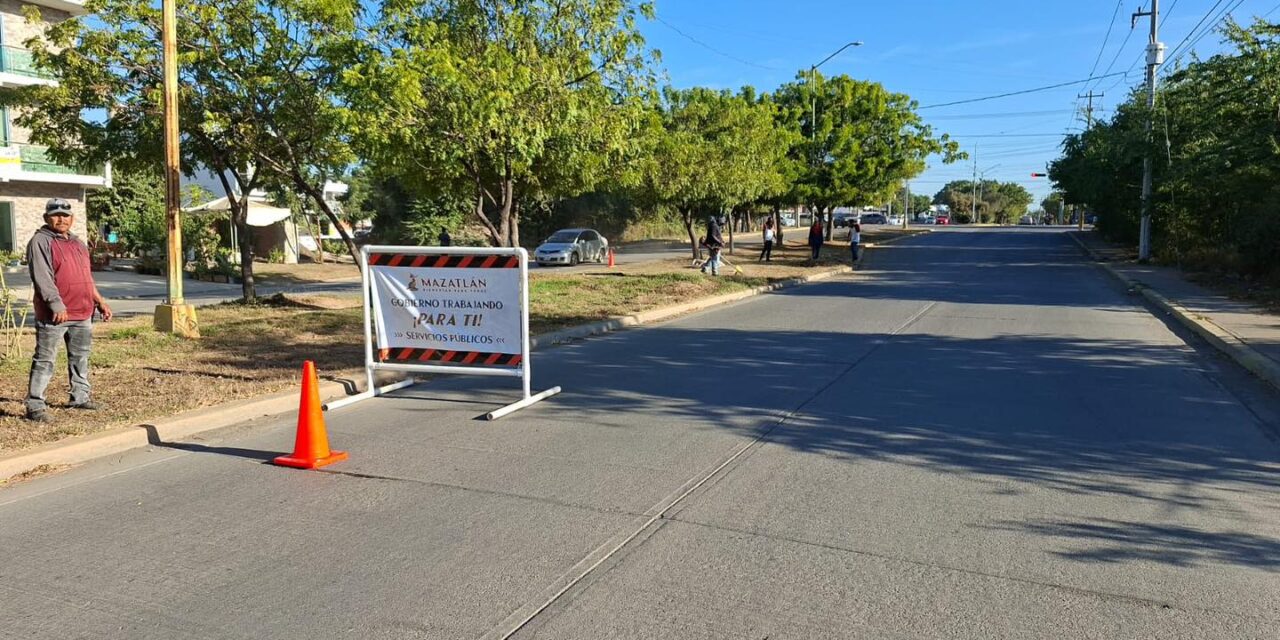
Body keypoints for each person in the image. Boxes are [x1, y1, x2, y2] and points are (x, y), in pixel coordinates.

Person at [26, 198, 112, 422]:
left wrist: (100, 301)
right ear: (47, 218)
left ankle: (80, 397)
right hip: (55, 315)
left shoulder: (78, 243)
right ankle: (35, 405)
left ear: (72, 218)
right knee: (45, 360)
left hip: (82, 312)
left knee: (80, 357)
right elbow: (42, 278)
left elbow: (86, 278)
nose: (61, 218)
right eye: (55, 214)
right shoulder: (40, 241)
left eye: (65, 215)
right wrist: (56, 304)